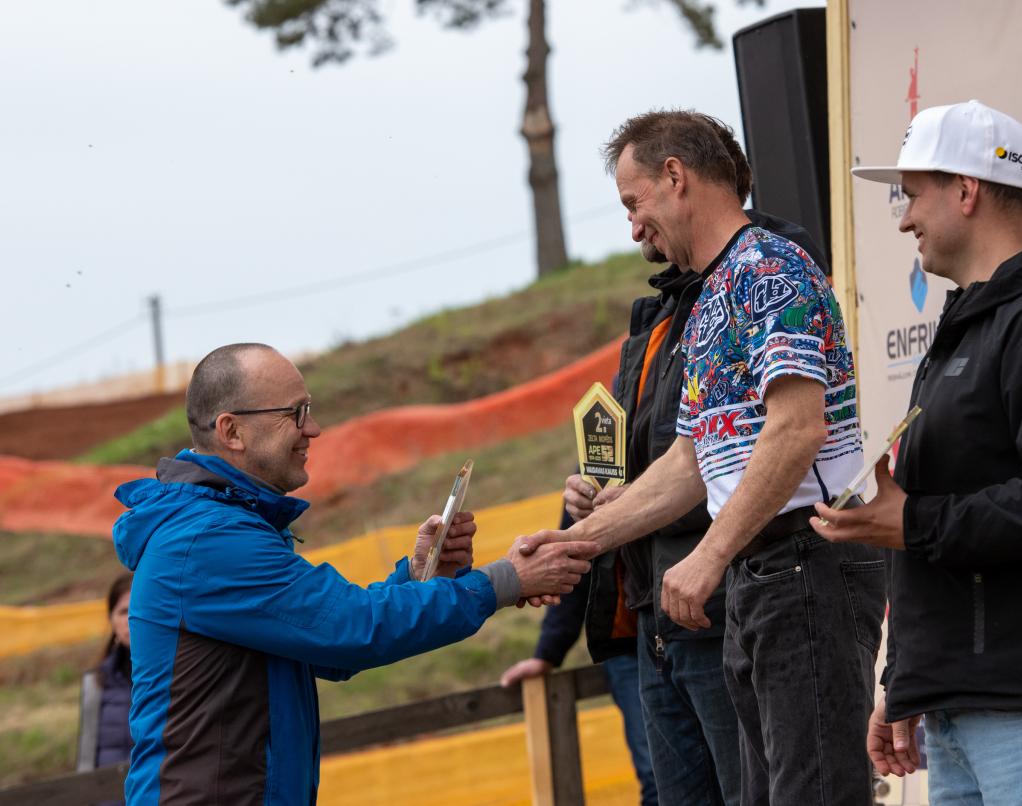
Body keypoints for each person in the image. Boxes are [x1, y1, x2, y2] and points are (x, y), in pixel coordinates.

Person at [529, 109, 886, 804]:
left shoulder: (769, 269)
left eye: (633, 203)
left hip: (806, 564)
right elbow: (691, 462)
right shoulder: (711, 293)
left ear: (675, 176)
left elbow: (796, 429)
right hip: (761, 576)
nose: (633, 227)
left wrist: (708, 555)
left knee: (812, 791)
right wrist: (574, 543)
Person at [112, 342, 599, 805]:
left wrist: (419, 574)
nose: (313, 428)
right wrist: (505, 581)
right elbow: (350, 628)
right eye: (295, 413)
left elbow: (327, 639)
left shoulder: (217, 529)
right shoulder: (210, 540)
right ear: (231, 431)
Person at [820, 100, 1022, 804]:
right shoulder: (970, 325)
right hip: (963, 705)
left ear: (966, 191)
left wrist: (914, 522)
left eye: (912, 195)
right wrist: (906, 680)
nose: (903, 219)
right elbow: (937, 520)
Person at [501, 505, 659, 806]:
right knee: (656, 774)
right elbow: (573, 560)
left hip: (704, 626)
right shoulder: (589, 479)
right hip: (629, 638)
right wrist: (548, 652)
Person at [76, 573, 135, 804]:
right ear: (111, 619)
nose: (131, 618)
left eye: (138, 607)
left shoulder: (177, 675)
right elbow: (86, 759)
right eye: (123, 611)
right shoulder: (95, 682)